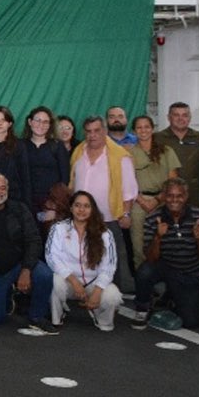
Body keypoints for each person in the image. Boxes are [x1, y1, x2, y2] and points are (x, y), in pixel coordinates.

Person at [0, 173, 57, 333]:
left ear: (8, 190)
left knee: (44, 275)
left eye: (2, 188)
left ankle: (37, 316)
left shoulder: (19, 209)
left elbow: (34, 240)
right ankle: (9, 296)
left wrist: (26, 269)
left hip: (19, 264)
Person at [69, 116, 137, 291]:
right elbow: (72, 182)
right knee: (84, 258)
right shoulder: (78, 152)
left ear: (105, 131)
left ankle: (114, 298)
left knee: (114, 261)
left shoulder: (121, 156)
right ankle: (84, 294)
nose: (93, 135)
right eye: (89, 131)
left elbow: (129, 189)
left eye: (97, 130)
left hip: (109, 218)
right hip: (80, 218)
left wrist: (127, 213)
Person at [132, 179, 199, 329]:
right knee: (144, 272)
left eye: (179, 196)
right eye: (169, 196)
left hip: (191, 272)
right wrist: (158, 237)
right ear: (163, 196)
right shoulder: (152, 218)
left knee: (191, 322)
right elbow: (150, 258)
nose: (174, 200)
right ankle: (142, 308)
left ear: (186, 196)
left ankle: (172, 298)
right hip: (166, 267)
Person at [45, 191, 122, 331]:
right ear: (71, 208)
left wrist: (98, 291)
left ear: (92, 209)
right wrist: (74, 280)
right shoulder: (59, 228)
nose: (81, 210)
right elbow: (52, 257)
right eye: (77, 205)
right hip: (68, 281)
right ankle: (57, 317)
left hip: (93, 283)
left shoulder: (104, 232)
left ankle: (101, 318)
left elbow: (109, 265)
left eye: (86, 206)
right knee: (54, 281)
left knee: (113, 296)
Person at [127, 115, 180, 268]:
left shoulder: (167, 151)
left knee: (166, 241)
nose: (143, 130)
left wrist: (157, 200)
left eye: (146, 127)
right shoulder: (129, 153)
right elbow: (127, 182)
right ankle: (144, 284)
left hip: (164, 200)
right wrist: (143, 201)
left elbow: (173, 181)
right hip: (138, 201)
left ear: (152, 128)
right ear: (134, 131)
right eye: (139, 127)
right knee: (138, 244)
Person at [154, 102, 199, 208]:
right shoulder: (157, 139)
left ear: (190, 118)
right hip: (166, 197)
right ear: (168, 117)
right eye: (176, 115)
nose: (181, 118)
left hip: (193, 196)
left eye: (185, 115)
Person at [22, 106, 68, 215]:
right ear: (30, 121)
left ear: (50, 125)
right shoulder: (21, 146)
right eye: (38, 120)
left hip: (52, 205)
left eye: (45, 122)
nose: (41, 125)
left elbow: (65, 178)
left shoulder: (57, 146)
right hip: (25, 203)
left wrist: (56, 203)